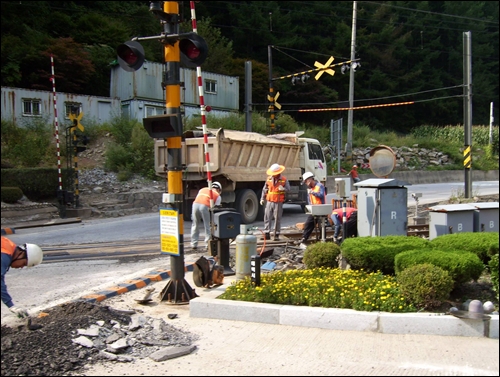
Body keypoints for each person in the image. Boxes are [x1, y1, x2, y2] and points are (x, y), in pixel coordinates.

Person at [1, 236, 43, 318]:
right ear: (21, 254)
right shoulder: (4, 256)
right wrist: (11, 305)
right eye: (23, 263)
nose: (20, 267)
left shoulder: (9, 246)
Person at [260, 163, 290, 241]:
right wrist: (262, 198)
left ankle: (276, 234)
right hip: (269, 201)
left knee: (277, 218)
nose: (273, 175)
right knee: (267, 217)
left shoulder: (284, 180)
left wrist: (283, 189)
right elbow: (264, 189)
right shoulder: (269, 179)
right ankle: (267, 233)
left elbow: (289, 189)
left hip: (278, 201)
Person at [297, 172, 326, 248]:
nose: (306, 184)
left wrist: (313, 192)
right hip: (314, 209)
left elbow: (321, 195)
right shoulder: (310, 189)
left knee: (321, 225)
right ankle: (304, 238)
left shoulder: (319, 186)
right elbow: (309, 199)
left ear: (310, 180)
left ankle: (323, 239)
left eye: (306, 182)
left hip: (321, 208)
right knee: (309, 224)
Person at [191, 182, 222, 250]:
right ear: (219, 189)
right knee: (207, 226)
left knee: (195, 225)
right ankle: (207, 245)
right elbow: (216, 209)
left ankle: (194, 244)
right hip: (204, 206)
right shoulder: (217, 195)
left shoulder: (202, 189)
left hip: (195, 205)